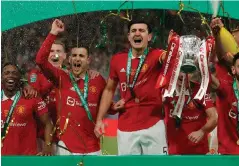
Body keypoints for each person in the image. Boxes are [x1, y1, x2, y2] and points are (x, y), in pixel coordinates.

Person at [94, 19, 173, 155]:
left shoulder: (156, 55)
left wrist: (173, 48)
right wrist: (100, 119)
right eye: (133, 31)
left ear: (149, 37)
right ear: (129, 37)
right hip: (126, 126)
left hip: (153, 124)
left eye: (142, 30)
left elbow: (170, 59)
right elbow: (109, 89)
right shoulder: (118, 59)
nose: (137, 33)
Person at [36, 19, 107, 155]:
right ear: (69, 59)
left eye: (81, 56)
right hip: (66, 148)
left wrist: (115, 107)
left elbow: (107, 104)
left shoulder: (97, 79)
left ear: (88, 60)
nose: (77, 58)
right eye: (74, 55)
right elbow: (40, 60)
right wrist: (53, 33)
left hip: (93, 148)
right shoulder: (61, 77)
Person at [1, 62, 53, 155]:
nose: (10, 75)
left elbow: (48, 123)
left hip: (27, 158)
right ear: (1, 77)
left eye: (14, 73)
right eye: (7, 73)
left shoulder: (31, 96)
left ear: (20, 78)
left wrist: (47, 147)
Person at [164, 72, 217, 154]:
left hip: (198, 152)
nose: (182, 74)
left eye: (186, 71)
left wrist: (202, 131)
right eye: (179, 70)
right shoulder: (165, 90)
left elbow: (214, 117)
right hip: (173, 152)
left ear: (192, 74)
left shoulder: (200, 90)